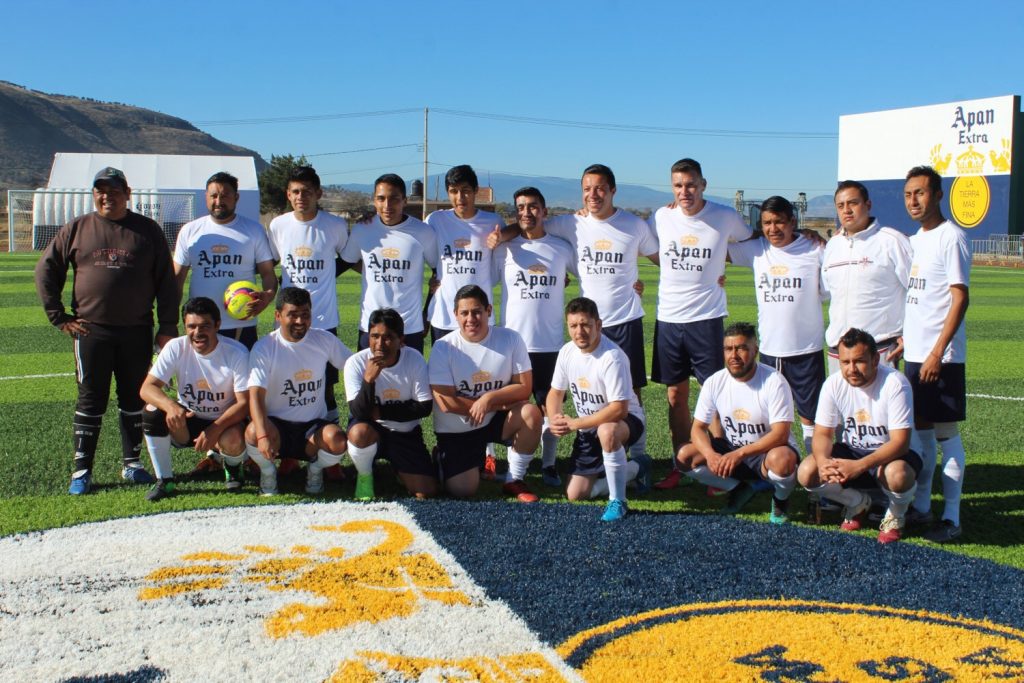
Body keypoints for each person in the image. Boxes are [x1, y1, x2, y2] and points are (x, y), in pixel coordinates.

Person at [35, 166, 178, 495]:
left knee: (134, 397)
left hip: (136, 331)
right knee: (90, 399)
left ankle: (132, 465)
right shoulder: (78, 228)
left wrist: (167, 326)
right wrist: (59, 316)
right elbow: (46, 269)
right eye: (100, 190)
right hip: (91, 332)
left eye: (113, 191)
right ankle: (82, 469)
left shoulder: (147, 231)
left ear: (128, 193)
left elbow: (166, 283)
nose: (106, 196)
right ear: (94, 194)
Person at [523, 164, 659, 465]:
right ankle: (583, 447)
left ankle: (639, 456)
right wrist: (502, 232)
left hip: (624, 320)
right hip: (586, 326)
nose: (592, 195)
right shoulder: (570, 223)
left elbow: (662, 258)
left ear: (612, 190)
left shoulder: (634, 225)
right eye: (587, 189)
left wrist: (711, 274)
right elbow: (530, 223)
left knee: (631, 392)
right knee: (582, 387)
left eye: (599, 188)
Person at [649, 158, 752, 489]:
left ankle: (719, 465)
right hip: (669, 319)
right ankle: (680, 463)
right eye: (678, 185)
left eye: (691, 184)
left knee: (717, 396)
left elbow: (753, 242)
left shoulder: (725, 217)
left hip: (706, 320)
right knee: (676, 396)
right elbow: (641, 245)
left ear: (703, 184)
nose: (685, 191)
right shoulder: (661, 216)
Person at [797, 328, 921, 544]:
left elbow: (900, 443)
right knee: (807, 472)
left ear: (875, 359)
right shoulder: (833, 384)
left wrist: (858, 466)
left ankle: (895, 514)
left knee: (897, 474)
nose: (851, 369)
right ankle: (857, 502)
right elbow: (823, 434)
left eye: (859, 361)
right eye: (845, 362)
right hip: (854, 450)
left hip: (893, 453)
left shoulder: (895, 383)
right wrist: (823, 460)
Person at [902, 166, 971, 543]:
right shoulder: (916, 240)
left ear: (938, 195)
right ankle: (924, 508)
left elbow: (960, 298)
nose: (914, 200)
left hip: (939, 358)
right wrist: (907, 343)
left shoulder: (951, 237)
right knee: (922, 431)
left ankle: (952, 517)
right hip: (916, 353)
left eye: (921, 193)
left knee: (946, 435)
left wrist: (936, 352)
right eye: (909, 194)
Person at [492, 187, 578, 487]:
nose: (526, 213)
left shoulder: (561, 248)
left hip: (550, 344)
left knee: (549, 408)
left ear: (544, 211)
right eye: (520, 207)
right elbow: (483, 278)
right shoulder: (504, 248)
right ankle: (494, 458)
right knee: (503, 404)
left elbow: (590, 277)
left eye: (532, 207)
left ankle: (549, 464)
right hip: (512, 344)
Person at [728, 196, 826, 455]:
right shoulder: (757, 248)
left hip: (806, 350)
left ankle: (814, 476)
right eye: (767, 223)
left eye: (779, 222)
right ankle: (776, 470)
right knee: (771, 417)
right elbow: (716, 249)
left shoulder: (815, 249)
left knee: (811, 419)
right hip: (770, 351)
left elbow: (830, 291)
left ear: (792, 221)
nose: (773, 229)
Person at [674, 323, 799, 522]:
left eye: (741, 348)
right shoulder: (715, 381)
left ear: (755, 351)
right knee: (684, 456)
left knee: (783, 460)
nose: (734, 355)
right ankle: (739, 488)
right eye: (729, 349)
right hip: (732, 448)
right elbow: (697, 428)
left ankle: (780, 499)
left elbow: (781, 434)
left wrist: (739, 454)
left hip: (765, 452)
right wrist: (711, 455)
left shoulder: (774, 381)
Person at [428, 285, 542, 501]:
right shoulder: (443, 347)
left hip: (493, 420)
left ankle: (514, 479)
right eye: (464, 313)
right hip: (457, 428)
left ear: (489, 310)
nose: (471, 318)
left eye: (477, 311)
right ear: (455, 315)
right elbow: (446, 402)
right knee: (463, 491)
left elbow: (524, 387)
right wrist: (491, 404)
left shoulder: (510, 339)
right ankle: (443, 458)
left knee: (531, 413)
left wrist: (488, 399)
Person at [546, 297, 651, 522]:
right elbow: (555, 393)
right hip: (588, 425)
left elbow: (619, 410)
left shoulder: (612, 357)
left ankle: (618, 500)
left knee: (607, 432)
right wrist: (556, 418)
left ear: (598, 325)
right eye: (573, 326)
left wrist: (575, 424)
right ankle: (633, 469)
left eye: (585, 325)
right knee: (575, 494)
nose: (579, 332)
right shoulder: (567, 352)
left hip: (626, 421)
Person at [139, 297, 250, 500]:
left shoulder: (236, 352)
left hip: (224, 422)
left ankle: (233, 468)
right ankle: (165, 480)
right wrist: (171, 406)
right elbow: (147, 388)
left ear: (217, 325)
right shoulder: (175, 347)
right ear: (185, 326)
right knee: (152, 411)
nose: (197, 333)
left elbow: (244, 403)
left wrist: (214, 428)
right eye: (191, 326)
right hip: (187, 421)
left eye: (205, 326)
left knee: (233, 438)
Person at [244, 287, 352, 496]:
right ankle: (268, 473)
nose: (300, 321)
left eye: (305, 315)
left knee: (338, 441)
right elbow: (255, 394)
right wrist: (264, 434)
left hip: (312, 429)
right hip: (277, 427)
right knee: (252, 432)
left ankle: (315, 469)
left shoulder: (324, 340)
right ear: (278, 316)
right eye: (292, 315)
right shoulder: (265, 347)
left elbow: (352, 365)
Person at [267, 166, 349, 422]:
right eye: (296, 191)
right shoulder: (278, 225)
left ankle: (331, 442)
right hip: (288, 321)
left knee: (323, 385)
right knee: (287, 382)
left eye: (307, 192)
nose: (301, 196)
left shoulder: (334, 225)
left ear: (319, 194)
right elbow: (271, 263)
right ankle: (291, 446)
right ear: (288, 195)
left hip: (323, 320)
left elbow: (348, 258)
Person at [173, 172, 277, 350]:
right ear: (206, 197)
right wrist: (169, 320)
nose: (218, 201)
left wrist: (267, 296)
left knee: (241, 378)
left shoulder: (253, 230)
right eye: (213, 195)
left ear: (236, 197)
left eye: (225, 195)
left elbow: (268, 273)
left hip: (241, 324)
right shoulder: (190, 231)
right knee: (201, 379)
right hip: (201, 325)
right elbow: (177, 279)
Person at [343, 308, 438, 500]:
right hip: (371, 430)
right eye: (374, 336)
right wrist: (368, 380)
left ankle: (403, 466)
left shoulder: (414, 359)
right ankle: (365, 476)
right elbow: (359, 412)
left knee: (426, 492)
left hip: (405, 433)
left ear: (401, 340)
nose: (379, 344)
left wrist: (381, 411)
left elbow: (424, 407)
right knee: (359, 432)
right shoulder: (356, 363)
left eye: (387, 337)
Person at [339, 173, 437, 354]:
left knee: (409, 382)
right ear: (374, 200)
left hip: (409, 328)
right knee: (369, 380)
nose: (387, 205)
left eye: (394, 199)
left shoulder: (423, 232)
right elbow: (344, 263)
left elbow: (438, 272)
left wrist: (426, 314)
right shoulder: (362, 229)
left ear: (404, 200)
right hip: (371, 326)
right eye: (381, 199)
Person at [822, 180, 912, 373]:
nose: (846, 210)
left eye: (853, 203)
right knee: (844, 404)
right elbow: (828, 293)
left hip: (879, 350)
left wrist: (912, 334)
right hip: (839, 353)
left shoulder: (892, 241)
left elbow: (918, 292)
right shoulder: (832, 246)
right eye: (841, 205)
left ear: (868, 205)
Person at [425, 164, 502, 343]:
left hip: (480, 317)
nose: (460, 197)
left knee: (483, 370)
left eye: (465, 190)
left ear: (476, 190)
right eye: (453, 191)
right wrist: (371, 218)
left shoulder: (493, 222)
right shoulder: (436, 220)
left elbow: (520, 235)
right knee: (443, 370)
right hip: (444, 316)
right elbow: (409, 235)